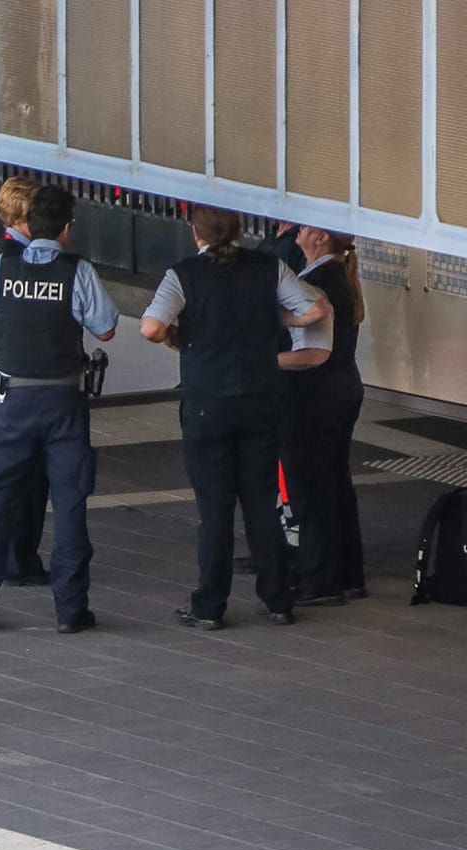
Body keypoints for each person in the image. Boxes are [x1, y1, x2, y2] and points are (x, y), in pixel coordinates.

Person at [141, 205, 329, 630]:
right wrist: (278, 318)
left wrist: (178, 336)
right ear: (239, 230)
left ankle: (209, 605)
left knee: (216, 510)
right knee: (262, 504)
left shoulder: (183, 274)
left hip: (208, 404)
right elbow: (317, 310)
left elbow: (150, 328)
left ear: (196, 233)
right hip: (261, 399)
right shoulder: (268, 266)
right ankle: (277, 599)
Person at [0, 185, 118, 634]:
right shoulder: (77, 270)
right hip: (65, 402)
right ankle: (69, 611)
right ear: (66, 229)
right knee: (70, 506)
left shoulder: (1, 267)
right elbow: (105, 328)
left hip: (15, 402)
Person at [276, 224, 367, 606]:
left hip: (314, 394)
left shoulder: (318, 283)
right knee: (334, 481)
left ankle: (319, 577)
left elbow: (311, 349)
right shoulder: (338, 276)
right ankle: (347, 573)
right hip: (344, 388)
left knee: (310, 486)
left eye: (303, 229)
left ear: (321, 238)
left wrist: (264, 362)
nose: (296, 236)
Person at [0, 175, 51, 587]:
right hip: (40, 384)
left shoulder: (0, 262)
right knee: (33, 478)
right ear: (26, 217)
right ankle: (21, 556)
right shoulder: (40, 263)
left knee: (13, 470)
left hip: (8, 382)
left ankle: (13, 555)